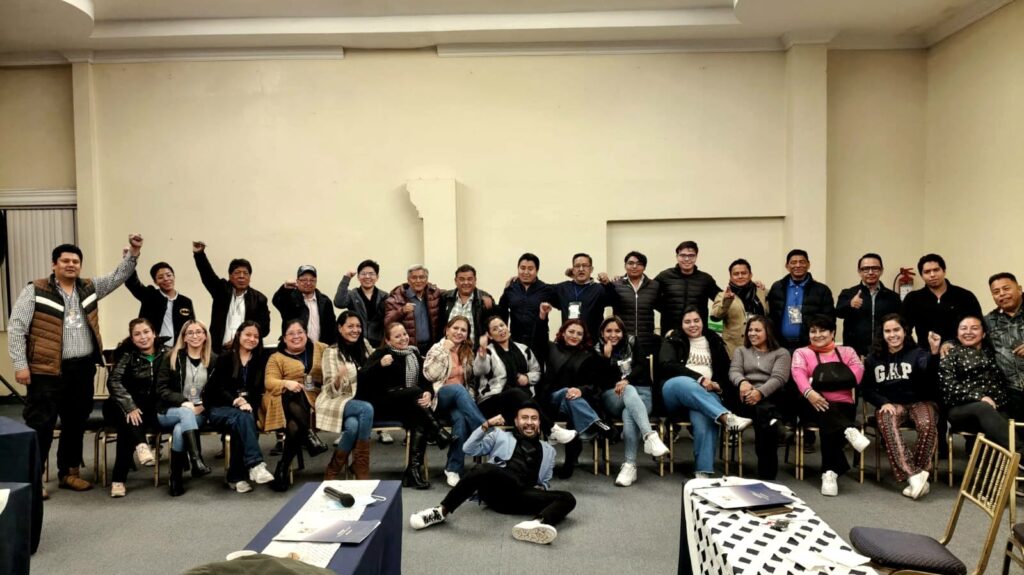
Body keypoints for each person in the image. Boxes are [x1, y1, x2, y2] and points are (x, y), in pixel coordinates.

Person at [8, 235, 143, 494]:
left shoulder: (89, 288)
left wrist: (134, 253)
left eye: (76, 261)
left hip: (81, 369)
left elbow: (117, 277)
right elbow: (16, 328)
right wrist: (20, 364)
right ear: (54, 264)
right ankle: (33, 480)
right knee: (41, 425)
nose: (71, 265)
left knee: (75, 423)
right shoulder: (35, 290)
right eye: (65, 261)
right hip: (46, 371)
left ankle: (69, 473)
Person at [409, 403, 577, 546]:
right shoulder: (500, 436)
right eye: (524, 418)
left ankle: (535, 524)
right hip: (497, 490)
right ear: (516, 421)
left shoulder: (549, 450)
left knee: (568, 498)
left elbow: (545, 481)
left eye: (534, 418)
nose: (529, 422)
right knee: (484, 468)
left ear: (539, 423)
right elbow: (468, 449)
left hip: (523, 496)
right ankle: (440, 512)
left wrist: (541, 490)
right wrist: (486, 425)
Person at [658, 306, 751, 479]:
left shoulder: (714, 341)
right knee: (685, 382)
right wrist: (700, 379)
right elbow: (667, 365)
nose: (692, 325)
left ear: (702, 322)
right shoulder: (673, 339)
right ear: (681, 324)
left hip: (706, 397)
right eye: (687, 322)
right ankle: (726, 417)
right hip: (674, 392)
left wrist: (718, 386)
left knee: (704, 416)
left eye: (696, 320)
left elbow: (725, 372)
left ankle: (703, 471)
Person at [361, 322, 453, 489]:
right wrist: (379, 365)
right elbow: (363, 378)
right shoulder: (381, 354)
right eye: (397, 336)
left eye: (404, 334)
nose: (403, 338)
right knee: (415, 392)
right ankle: (437, 430)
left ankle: (413, 471)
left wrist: (428, 393)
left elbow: (425, 379)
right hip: (383, 404)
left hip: (407, 405)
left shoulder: (413, 353)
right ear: (388, 341)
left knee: (419, 421)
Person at [862, 314, 940, 499]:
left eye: (896, 330)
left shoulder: (918, 353)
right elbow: (866, 389)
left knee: (927, 424)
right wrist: (883, 402)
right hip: (891, 404)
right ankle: (913, 475)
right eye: (887, 331)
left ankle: (918, 474)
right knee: (886, 420)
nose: (892, 335)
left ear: (905, 331)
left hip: (920, 402)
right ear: (882, 334)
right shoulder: (873, 358)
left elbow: (930, 373)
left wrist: (934, 353)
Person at [790, 314, 869, 496]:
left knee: (828, 422)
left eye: (822, 330)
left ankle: (830, 472)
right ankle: (845, 437)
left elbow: (856, 376)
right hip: (811, 403)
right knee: (825, 412)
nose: (817, 335)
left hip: (843, 406)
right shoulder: (802, 353)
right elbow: (799, 375)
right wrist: (810, 392)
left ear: (833, 332)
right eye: (813, 331)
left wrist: (817, 381)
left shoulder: (847, 352)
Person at [473, 316, 578, 445]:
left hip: (519, 401)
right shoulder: (488, 351)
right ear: (489, 335)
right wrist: (482, 353)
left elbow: (537, 372)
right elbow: (479, 370)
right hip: (492, 401)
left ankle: (540, 445)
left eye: (502, 325)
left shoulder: (523, 349)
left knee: (527, 405)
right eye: (495, 329)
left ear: (507, 327)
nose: (500, 329)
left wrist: (527, 378)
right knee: (517, 394)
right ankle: (551, 430)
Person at [535, 313, 615, 478]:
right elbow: (538, 338)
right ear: (563, 333)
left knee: (572, 399)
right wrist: (543, 318)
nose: (574, 336)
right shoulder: (551, 348)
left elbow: (599, 382)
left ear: (583, 337)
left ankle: (570, 462)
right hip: (551, 401)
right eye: (571, 332)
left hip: (575, 403)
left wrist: (581, 390)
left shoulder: (589, 354)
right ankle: (595, 423)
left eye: (579, 333)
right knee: (567, 392)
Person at [595, 316, 669, 487]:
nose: (613, 335)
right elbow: (600, 381)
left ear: (623, 332)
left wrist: (627, 380)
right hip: (612, 395)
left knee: (630, 412)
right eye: (608, 331)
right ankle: (649, 435)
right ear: (602, 333)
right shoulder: (597, 349)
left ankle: (630, 466)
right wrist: (606, 357)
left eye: (617, 331)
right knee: (628, 390)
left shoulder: (633, 343)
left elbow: (642, 366)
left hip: (642, 394)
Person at [205, 320, 275, 493]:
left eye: (256, 336)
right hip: (220, 408)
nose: (252, 339)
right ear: (238, 335)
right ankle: (255, 464)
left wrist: (249, 404)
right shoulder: (225, 358)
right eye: (248, 335)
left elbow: (259, 391)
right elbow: (216, 389)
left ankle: (235, 477)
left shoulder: (260, 360)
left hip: (245, 410)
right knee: (244, 420)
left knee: (242, 423)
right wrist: (235, 400)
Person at [102, 318, 167, 497]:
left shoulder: (166, 353)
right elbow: (114, 382)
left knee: (127, 427)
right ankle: (141, 445)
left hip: (148, 408)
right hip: (118, 406)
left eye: (146, 332)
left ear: (154, 333)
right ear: (132, 338)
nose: (143, 337)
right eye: (137, 334)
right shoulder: (127, 355)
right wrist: (129, 406)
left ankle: (118, 480)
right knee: (127, 420)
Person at [262, 319, 330, 491]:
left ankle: (283, 467)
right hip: (283, 400)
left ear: (306, 334)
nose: (296, 336)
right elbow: (269, 381)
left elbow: (332, 368)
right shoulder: (276, 357)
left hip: (313, 398)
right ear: (284, 338)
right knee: (294, 391)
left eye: (300, 332)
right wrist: (286, 383)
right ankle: (309, 435)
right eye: (291, 333)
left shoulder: (321, 348)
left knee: (294, 427)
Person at [155, 319, 217, 495]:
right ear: (184, 337)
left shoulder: (214, 359)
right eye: (190, 332)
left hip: (199, 412)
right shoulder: (172, 357)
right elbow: (161, 389)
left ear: (205, 336)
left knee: (179, 430)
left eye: (199, 332)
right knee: (184, 413)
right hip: (169, 411)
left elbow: (217, 390)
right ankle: (196, 460)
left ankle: (175, 478)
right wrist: (182, 401)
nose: (195, 336)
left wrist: (204, 405)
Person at [423, 316, 485, 487]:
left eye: (463, 330)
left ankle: (453, 468)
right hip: (439, 398)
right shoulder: (437, 348)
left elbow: (471, 381)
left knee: (461, 419)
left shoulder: (467, 352)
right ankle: (486, 431)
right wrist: (444, 351)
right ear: (447, 330)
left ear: (467, 334)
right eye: (455, 328)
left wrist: (482, 355)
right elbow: (429, 375)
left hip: (459, 401)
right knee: (457, 389)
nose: (459, 332)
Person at [727, 315, 791, 480]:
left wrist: (760, 393)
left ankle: (772, 421)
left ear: (768, 332)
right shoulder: (741, 351)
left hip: (770, 396)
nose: (752, 333)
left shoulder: (781, 353)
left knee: (762, 412)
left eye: (757, 330)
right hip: (745, 398)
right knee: (766, 416)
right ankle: (767, 472)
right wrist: (742, 382)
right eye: (750, 330)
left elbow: (779, 378)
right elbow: (734, 371)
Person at [939, 315, 1015, 449]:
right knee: (983, 407)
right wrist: (979, 397)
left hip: (991, 410)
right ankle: (1020, 451)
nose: (968, 332)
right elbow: (949, 386)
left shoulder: (992, 353)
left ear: (984, 333)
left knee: (1007, 417)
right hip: (960, 410)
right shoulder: (950, 354)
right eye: (963, 328)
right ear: (957, 334)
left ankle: (993, 459)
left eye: (974, 328)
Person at [317, 312, 376, 481]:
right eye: (350, 326)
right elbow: (329, 390)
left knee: (353, 427)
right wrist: (338, 378)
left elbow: (374, 367)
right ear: (340, 328)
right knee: (366, 409)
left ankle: (332, 470)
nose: (355, 330)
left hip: (362, 398)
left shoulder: (365, 345)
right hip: (338, 400)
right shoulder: (331, 352)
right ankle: (361, 466)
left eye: (358, 326)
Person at [192, 241, 271, 351]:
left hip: (246, 351)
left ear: (250, 277)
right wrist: (199, 254)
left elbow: (264, 329)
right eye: (237, 272)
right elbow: (207, 275)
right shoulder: (221, 291)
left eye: (245, 273)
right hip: (218, 351)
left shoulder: (259, 299)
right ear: (230, 276)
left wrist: (240, 339)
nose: (241, 276)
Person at [901, 253, 982, 350]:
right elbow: (903, 330)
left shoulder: (965, 296)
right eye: (927, 272)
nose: (932, 275)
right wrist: (914, 351)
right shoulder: (913, 299)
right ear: (922, 275)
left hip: (960, 353)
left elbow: (978, 327)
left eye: (936, 270)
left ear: (944, 271)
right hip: (926, 355)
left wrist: (954, 344)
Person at [767, 249, 835, 352]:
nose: (798, 265)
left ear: (808, 264)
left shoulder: (821, 290)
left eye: (802, 262)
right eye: (793, 262)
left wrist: (826, 345)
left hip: (810, 346)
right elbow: (770, 315)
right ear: (787, 266)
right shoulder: (777, 287)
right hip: (780, 346)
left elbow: (830, 320)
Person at [836, 253, 902, 357]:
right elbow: (838, 313)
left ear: (881, 270)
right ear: (859, 271)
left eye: (875, 268)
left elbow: (901, 323)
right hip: (855, 353)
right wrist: (850, 304)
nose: (870, 272)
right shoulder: (848, 293)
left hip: (885, 351)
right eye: (865, 269)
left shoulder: (893, 297)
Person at [655, 241, 722, 334]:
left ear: (696, 257)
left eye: (691, 255)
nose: (687, 259)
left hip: (697, 331)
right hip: (671, 330)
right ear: (677, 256)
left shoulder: (705, 279)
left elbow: (720, 299)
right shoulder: (664, 276)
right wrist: (667, 310)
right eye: (682, 255)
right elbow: (650, 296)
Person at [603, 251, 661, 354]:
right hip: (622, 339)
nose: (634, 266)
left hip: (646, 340)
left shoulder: (654, 286)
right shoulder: (616, 285)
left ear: (644, 267)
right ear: (625, 265)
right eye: (630, 263)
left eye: (639, 264)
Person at [124, 261, 195, 344]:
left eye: (169, 275)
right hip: (153, 347)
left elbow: (192, 326)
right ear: (155, 282)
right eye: (160, 277)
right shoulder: (149, 296)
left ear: (174, 276)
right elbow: (132, 282)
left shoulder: (185, 302)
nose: (166, 279)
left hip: (178, 348)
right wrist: (130, 260)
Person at [496, 253, 558, 345]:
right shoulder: (510, 288)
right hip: (515, 341)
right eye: (522, 268)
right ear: (518, 269)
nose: (526, 272)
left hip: (539, 341)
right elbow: (502, 312)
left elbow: (565, 302)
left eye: (530, 269)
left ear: (537, 270)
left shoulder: (546, 289)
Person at [711, 258, 767, 355]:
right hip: (734, 349)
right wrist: (727, 301)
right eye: (736, 274)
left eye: (744, 273)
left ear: (750, 275)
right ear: (730, 277)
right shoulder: (723, 295)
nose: (740, 276)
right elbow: (715, 316)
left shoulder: (762, 292)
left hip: (760, 347)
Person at [384, 265, 442, 354]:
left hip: (431, 347)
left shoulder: (434, 294)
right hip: (406, 348)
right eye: (414, 277)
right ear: (408, 280)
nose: (418, 281)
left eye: (421, 277)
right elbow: (387, 323)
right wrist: (402, 311)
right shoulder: (396, 298)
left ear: (426, 279)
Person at [272, 265, 336, 345]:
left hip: (321, 348)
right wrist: (284, 288)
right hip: (295, 347)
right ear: (297, 281)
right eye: (304, 280)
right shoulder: (290, 298)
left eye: (312, 280)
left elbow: (332, 326)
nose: (308, 283)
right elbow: (277, 301)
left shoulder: (325, 301)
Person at [552, 253, 612, 338]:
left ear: (591, 269)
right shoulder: (563, 288)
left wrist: (608, 284)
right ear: (572, 270)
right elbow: (543, 291)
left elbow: (615, 300)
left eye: (585, 265)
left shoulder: (599, 289)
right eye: (577, 266)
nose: (581, 269)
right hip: (568, 340)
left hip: (592, 340)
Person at [983, 272, 1024, 392]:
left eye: (1006, 289)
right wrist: (948, 343)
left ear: (1019, 289)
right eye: (996, 292)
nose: (1001, 294)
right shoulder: (989, 321)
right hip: (1010, 391)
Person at [333, 260, 388, 347]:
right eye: (363, 274)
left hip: (379, 343)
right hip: (357, 340)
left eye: (371, 274)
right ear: (358, 277)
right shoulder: (352, 294)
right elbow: (339, 303)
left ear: (377, 277)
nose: (367, 277)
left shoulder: (384, 296)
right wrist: (347, 278)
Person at [438, 264, 494, 347]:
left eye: (469, 279)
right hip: (448, 350)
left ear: (475, 280)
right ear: (455, 281)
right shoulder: (445, 298)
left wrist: (486, 337)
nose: (466, 282)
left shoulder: (485, 299)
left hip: (474, 351)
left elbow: (493, 324)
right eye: (461, 279)